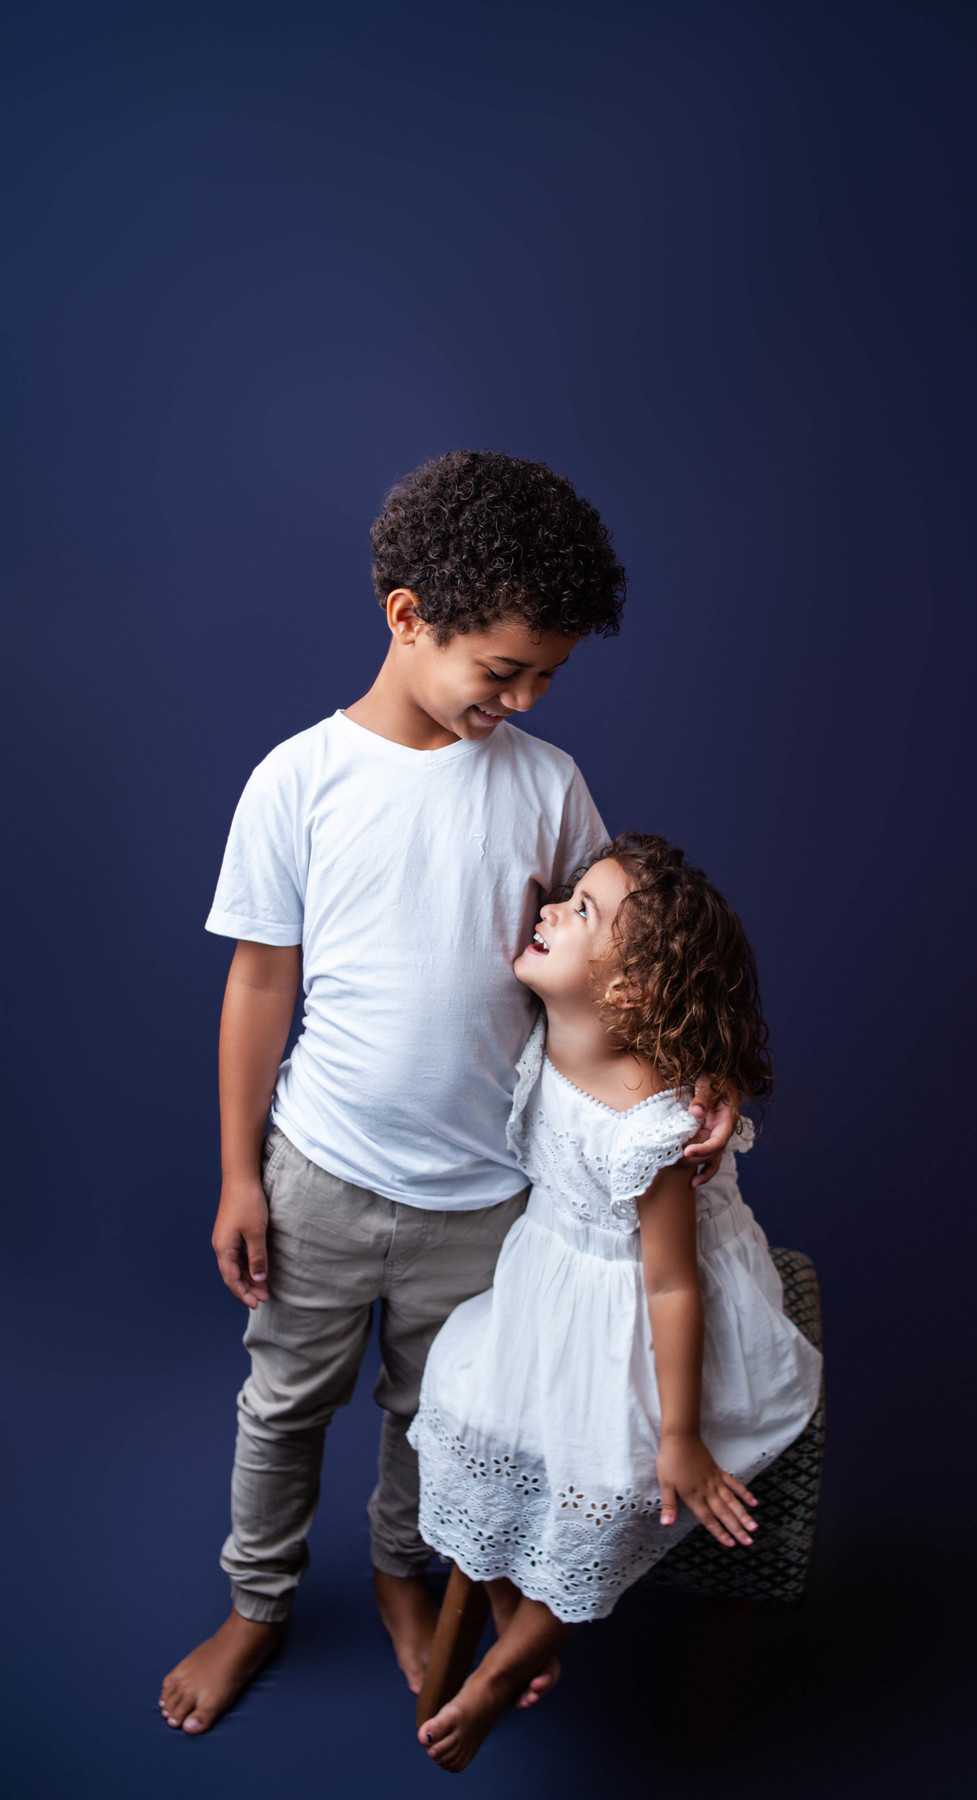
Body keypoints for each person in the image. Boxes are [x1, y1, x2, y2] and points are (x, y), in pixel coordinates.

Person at [158, 453, 740, 1737]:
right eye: (503, 671)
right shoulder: (297, 782)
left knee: (440, 1417)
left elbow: (625, 963)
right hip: (322, 1167)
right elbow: (260, 988)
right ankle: (258, 1602)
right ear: (407, 616)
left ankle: (398, 1571)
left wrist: (703, 1086)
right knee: (286, 1402)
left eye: (546, 677)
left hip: (488, 1200)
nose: (522, 698)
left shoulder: (545, 785)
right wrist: (242, 1171)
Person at [408, 833, 825, 1772]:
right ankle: (510, 1597)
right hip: (553, 1282)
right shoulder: (556, 1022)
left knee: (612, 1488)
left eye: (581, 911)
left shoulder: (650, 1129)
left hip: (649, 1317)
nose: (549, 911)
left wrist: (679, 1436)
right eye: (567, 899)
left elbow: (672, 1283)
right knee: (464, 1408)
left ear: (630, 992)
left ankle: (502, 1670)